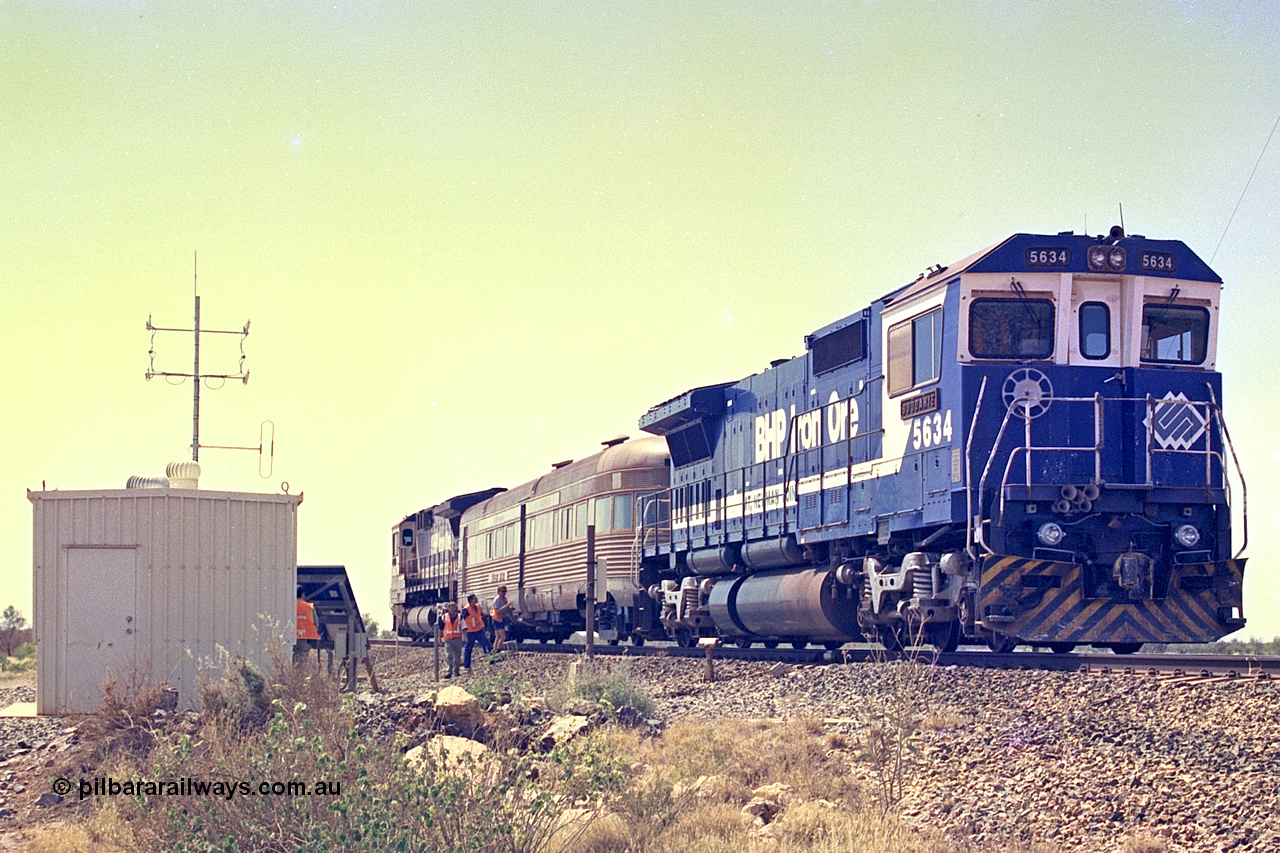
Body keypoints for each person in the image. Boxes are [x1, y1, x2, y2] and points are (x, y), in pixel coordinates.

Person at [461, 593, 491, 670]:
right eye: (475, 598)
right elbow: (462, 620)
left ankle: (491, 660)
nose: (476, 599)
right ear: (471, 600)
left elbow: (480, 617)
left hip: (478, 630)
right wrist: (464, 633)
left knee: (486, 644)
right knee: (468, 649)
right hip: (470, 632)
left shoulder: (477, 607)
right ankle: (466, 666)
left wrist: (483, 627)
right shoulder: (466, 609)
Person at [295, 587, 320, 668]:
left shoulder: (288, 606)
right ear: (302, 595)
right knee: (301, 664)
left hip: (288, 639)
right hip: (303, 639)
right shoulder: (309, 607)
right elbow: (316, 623)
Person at [438, 601, 464, 679]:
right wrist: (439, 638)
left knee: (457, 655)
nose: (452, 609)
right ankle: (449, 671)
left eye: (454, 607)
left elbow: (463, 626)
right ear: (448, 608)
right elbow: (441, 628)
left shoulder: (460, 616)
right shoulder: (444, 617)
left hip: (457, 638)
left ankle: (456, 671)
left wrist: (464, 636)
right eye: (451, 607)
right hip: (448, 638)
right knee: (449, 655)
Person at [490, 585, 514, 651]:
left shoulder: (504, 599)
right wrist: (507, 605)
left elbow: (505, 609)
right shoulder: (497, 599)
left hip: (501, 618)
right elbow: (498, 610)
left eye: (505, 591)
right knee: (503, 636)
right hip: (497, 619)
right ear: (499, 592)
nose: (504, 593)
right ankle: (498, 649)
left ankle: (494, 650)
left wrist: (510, 609)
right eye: (502, 591)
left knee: (498, 637)